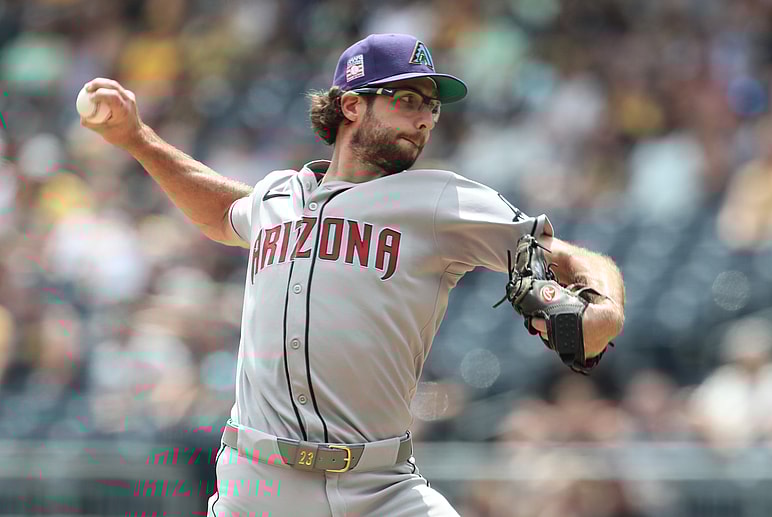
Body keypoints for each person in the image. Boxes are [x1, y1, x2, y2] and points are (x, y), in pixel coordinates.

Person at [81, 33, 625, 517]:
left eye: (432, 107)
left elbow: (567, 255)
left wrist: (605, 306)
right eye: (407, 100)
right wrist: (136, 138)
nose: (424, 118)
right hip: (257, 485)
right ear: (351, 106)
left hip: (379, 486)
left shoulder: (439, 199)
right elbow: (222, 212)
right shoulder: (278, 195)